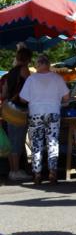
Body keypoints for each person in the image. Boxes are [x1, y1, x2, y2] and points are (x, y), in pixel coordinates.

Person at [19, 54, 70, 185]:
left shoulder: (31, 79)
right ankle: (52, 172)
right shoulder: (57, 78)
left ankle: (37, 174)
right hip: (53, 112)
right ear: (48, 64)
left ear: (39, 65)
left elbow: (23, 99)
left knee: (36, 143)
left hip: (35, 113)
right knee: (52, 141)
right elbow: (66, 97)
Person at [1, 47, 32, 181]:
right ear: (28, 59)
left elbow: (4, 93)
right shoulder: (24, 70)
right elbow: (31, 87)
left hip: (9, 108)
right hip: (19, 109)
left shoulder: (9, 73)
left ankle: (12, 170)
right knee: (17, 141)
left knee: (11, 140)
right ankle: (15, 171)